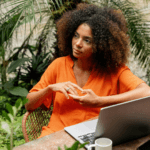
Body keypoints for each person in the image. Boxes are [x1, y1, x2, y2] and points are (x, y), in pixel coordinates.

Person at [25, 3, 150, 139]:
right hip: (55, 136)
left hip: (94, 137)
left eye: (87, 40)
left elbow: (146, 93)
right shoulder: (59, 65)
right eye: (76, 36)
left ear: (101, 46)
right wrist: (49, 89)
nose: (78, 43)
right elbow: (28, 105)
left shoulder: (114, 71)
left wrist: (99, 101)